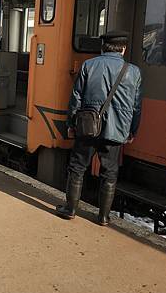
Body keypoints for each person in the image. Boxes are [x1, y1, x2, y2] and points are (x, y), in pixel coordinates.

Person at [56, 31, 142, 225]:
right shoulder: (133, 71)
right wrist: (132, 131)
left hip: (87, 127)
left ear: (103, 47)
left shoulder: (89, 65)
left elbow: (76, 98)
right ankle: (103, 217)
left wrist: (71, 124)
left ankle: (70, 210)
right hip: (117, 130)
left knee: (77, 167)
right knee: (109, 173)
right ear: (123, 48)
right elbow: (137, 106)